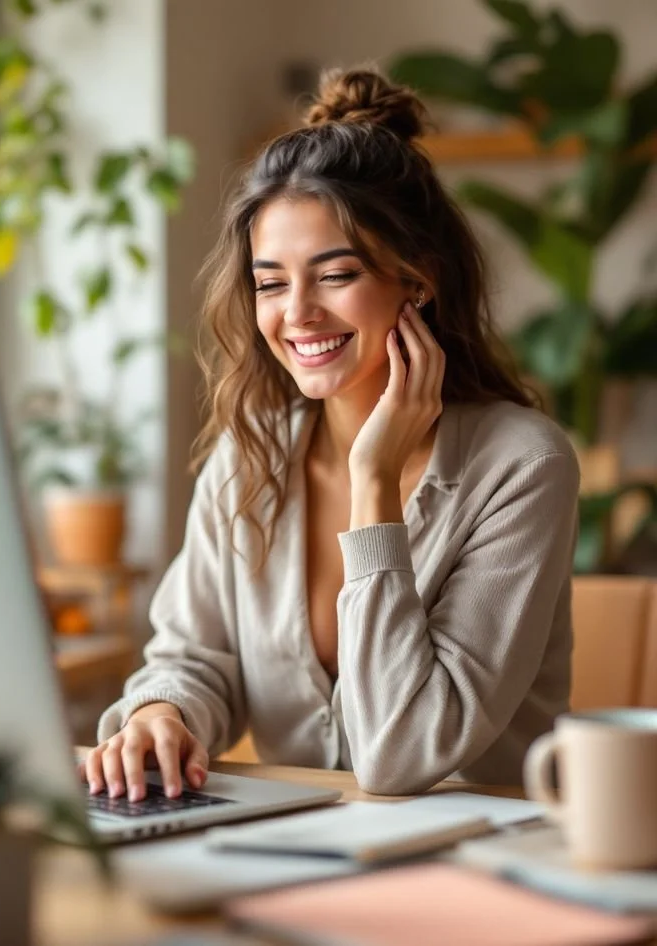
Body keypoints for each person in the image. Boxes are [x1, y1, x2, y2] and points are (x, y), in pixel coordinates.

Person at [85, 67, 579, 802]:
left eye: (335, 274)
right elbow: (197, 655)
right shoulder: (251, 452)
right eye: (272, 283)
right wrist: (164, 711)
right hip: (300, 856)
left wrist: (373, 481)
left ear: (418, 279)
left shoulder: (521, 467)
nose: (299, 314)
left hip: (479, 871)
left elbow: (402, 755)